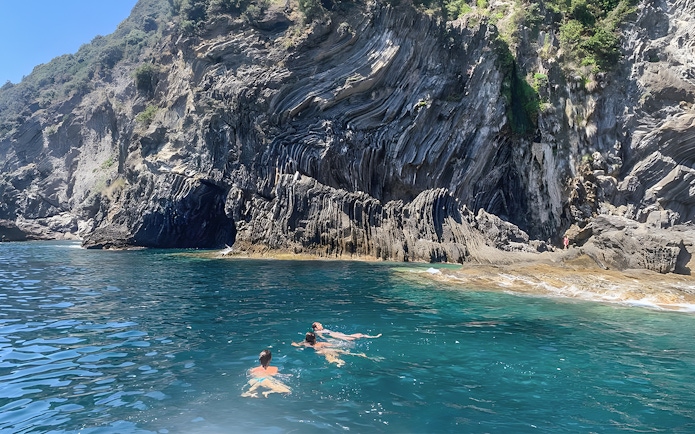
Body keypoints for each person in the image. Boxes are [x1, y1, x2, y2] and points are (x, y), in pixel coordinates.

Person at [292, 332, 373, 367]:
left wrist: (293, 343)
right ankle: (360, 355)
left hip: (319, 352)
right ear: (315, 338)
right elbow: (333, 345)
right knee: (342, 352)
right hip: (324, 349)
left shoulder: (304, 343)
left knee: (330, 358)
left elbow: (295, 345)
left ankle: (338, 362)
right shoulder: (319, 343)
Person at [311, 322, 381, 341]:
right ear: (316, 328)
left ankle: (372, 337)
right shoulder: (318, 332)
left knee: (359, 334)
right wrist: (330, 340)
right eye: (319, 325)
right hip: (337, 336)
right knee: (356, 336)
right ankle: (374, 337)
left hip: (339, 335)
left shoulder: (322, 330)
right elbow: (323, 337)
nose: (321, 325)